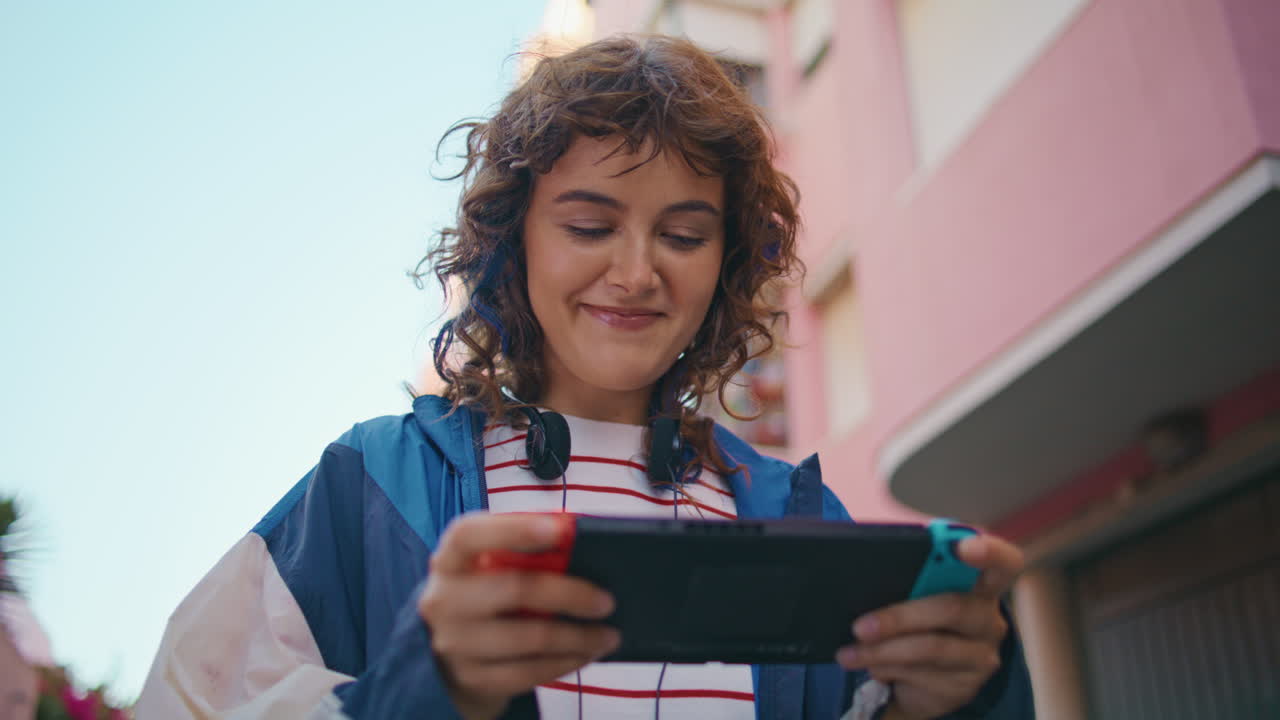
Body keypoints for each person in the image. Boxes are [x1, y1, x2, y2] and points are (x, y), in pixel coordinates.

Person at [136, 35, 1034, 719]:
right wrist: (423, 689)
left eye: (683, 235)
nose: (637, 274)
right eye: (590, 226)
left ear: (724, 264)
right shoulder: (368, 483)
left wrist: (968, 694)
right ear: (513, 241)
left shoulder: (799, 515)